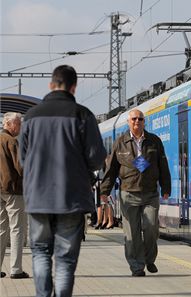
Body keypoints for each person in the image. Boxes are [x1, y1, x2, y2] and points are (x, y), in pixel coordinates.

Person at [18, 65, 106, 297]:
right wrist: (83, 172)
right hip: (72, 198)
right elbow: (97, 158)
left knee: (39, 252)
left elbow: (23, 159)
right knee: (65, 260)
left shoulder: (30, 117)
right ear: (74, 87)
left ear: (51, 85)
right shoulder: (83, 115)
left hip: (38, 198)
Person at [100, 109, 171, 277]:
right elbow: (111, 169)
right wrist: (104, 191)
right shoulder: (120, 142)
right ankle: (136, 266)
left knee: (151, 228)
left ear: (144, 122)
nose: (137, 121)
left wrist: (166, 187)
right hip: (128, 193)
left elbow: (163, 165)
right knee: (132, 232)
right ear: (128, 122)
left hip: (150, 193)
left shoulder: (154, 141)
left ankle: (149, 259)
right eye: (133, 119)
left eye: (140, 119)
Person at [0, 112, 29, 279]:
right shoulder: (11, 141)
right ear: (9, 124)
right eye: (18, 124)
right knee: (17, 228)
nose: (20, 127)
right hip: (13, 191)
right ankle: (16, 269)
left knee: (1, 229)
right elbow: (21, 167)